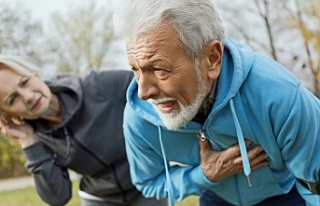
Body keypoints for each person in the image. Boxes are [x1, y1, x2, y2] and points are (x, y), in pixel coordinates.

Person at [112, 0, 320, 205]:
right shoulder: (138, 117)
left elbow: (316, 181)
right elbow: (149, 183)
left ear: (212, 59)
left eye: (159, 69)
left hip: (286, 195)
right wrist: (204, 175)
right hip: (217, 197)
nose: (143, 93)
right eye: (135, 70)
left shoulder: (279, 95)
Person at [0, 55, 168, 206]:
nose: (27, 96)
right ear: (8, 115)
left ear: (35, 74)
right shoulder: (38, 138)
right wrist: (28, 141)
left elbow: (156, 91)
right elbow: (58, 197)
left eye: (24, 82)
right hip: (97, 199)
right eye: (13, 99)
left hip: (146, 187)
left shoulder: (99, 86)